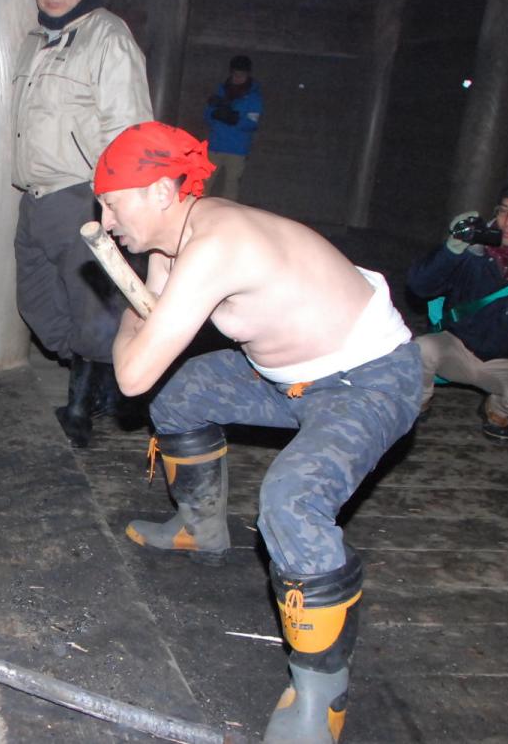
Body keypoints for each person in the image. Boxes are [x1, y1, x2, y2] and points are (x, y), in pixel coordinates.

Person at [95, 122, 420, 743]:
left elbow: (132, 373)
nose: (105, 222)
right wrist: (140, 318)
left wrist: (128, 317)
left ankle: (319, 698)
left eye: (112, 203)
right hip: (283, 379)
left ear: (161, 191)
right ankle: (199, 526)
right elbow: (150, 350)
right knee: (184, 392)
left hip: (368, 381)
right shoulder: (171, 242)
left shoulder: (218, 243)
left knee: (292, 500)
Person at [12, 0, 154, 447]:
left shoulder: (108, 37)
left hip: (85, 196)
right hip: (35, 198)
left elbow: (131, 132)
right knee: (37, 303)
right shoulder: (36, 39)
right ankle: (103, 387)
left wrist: (117, 207)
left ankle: (79, 411)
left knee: (92, 313)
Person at [407, 155, 508, 447]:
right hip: (458, 348)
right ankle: (418, 404)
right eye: (504, 210)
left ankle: (497, 411)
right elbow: (419, 286)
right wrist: (451, 250)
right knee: (421, 348)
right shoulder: (475, 249)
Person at [203, 54, 263, 201]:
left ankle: (227, 213)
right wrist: (215, 114)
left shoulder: (253, 97)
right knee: (203, 183)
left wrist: (234, 119)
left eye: (241, 75)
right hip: (216, 146)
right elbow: (207, 115)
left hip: (237, 150)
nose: (237, 78)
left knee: (231, 187)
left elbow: (252, 123)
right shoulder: (221, 91)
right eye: (235, 74)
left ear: (247, 75)